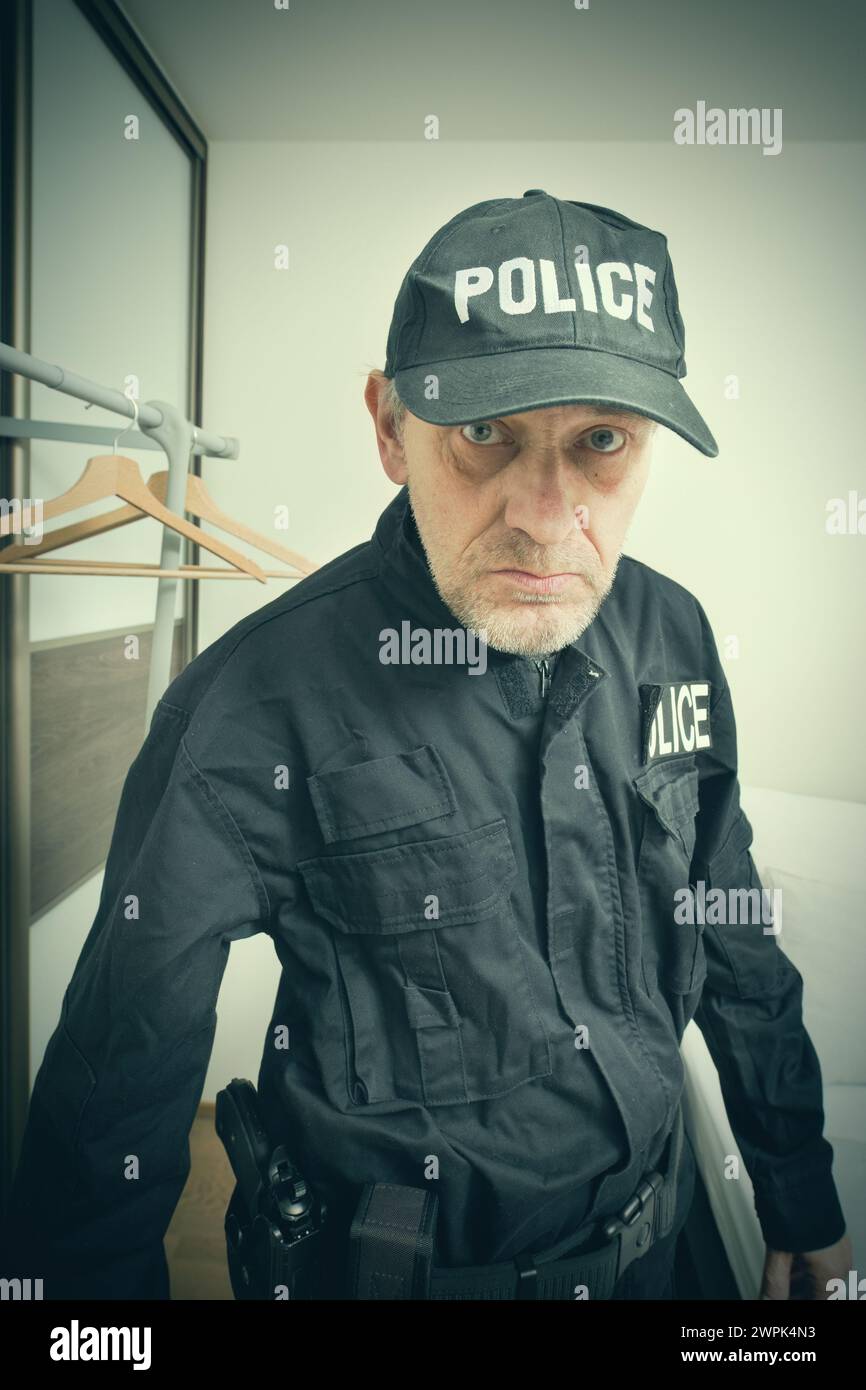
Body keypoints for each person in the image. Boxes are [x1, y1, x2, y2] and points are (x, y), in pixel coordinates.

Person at [0, 191, 851, 1301]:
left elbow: (731, 931)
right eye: (484, 434)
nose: (543, 515)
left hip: (667, 1254)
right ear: (390, 427)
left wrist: (798, 1190)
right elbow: (110, 1104)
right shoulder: (249, 707)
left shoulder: (673, 636)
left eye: (600, 441)